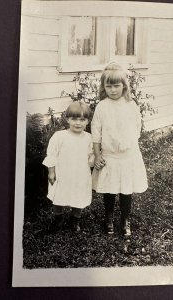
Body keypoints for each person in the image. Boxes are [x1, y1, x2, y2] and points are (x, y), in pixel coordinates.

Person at [91, 62, 148, 236]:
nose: (113, 90)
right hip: (109, 156)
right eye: (109, 86)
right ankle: (109, 217)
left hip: (127, 156)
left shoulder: (131, 106)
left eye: (117, 85)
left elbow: (137, 129)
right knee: (109, 189)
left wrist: (127, 146)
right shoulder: (102, 107)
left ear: (124, 86)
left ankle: (125, 218)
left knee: (126, 189)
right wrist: (98, 154)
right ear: (104, 87)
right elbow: (96, 133)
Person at [43, 102, 94, 233]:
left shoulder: (89, 138)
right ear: (67, 119)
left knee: (79, 196)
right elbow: (52, 155)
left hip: (80, 174)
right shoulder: (60, 136)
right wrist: (51, 172)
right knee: (58, 196)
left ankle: (75, 218)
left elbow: (91, 155)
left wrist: (94, 160)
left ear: (87, 121)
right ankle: (58, 218)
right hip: (63, 174)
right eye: (74, 119)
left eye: (82, 119)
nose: (78, 123)